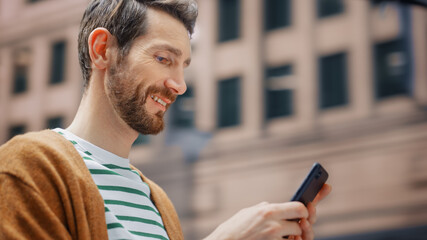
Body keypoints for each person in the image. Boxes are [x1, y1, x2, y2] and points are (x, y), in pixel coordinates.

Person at [0, 0, 331, 239]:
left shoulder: (158, 202)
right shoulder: (27, 167)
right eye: (163, 59)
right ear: (102, 50)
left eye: (183, 66)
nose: (180, 85)